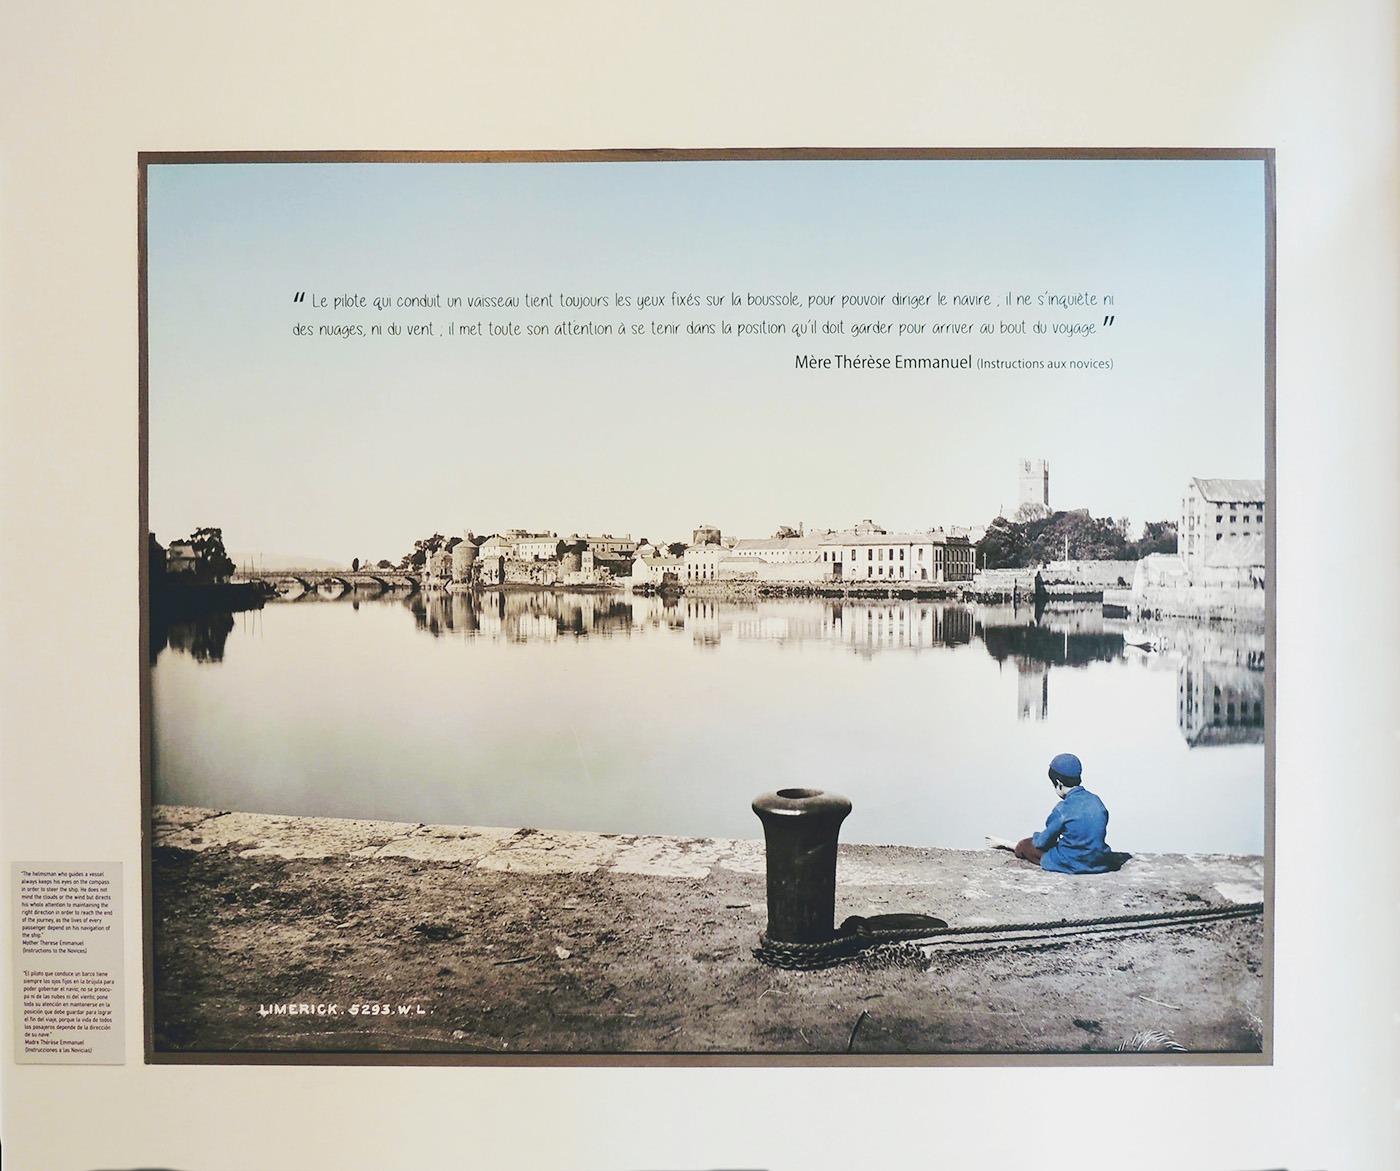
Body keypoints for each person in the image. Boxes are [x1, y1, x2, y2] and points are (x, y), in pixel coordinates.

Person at [1012, 752, 1114, 874]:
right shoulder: (1096, 801)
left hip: (1073, 863)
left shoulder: (1062, 809)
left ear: (1058, 783)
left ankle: (1011, 846)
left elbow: (1042, 842)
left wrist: (1036, 837)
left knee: (1025, 845)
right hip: (1098, 861)